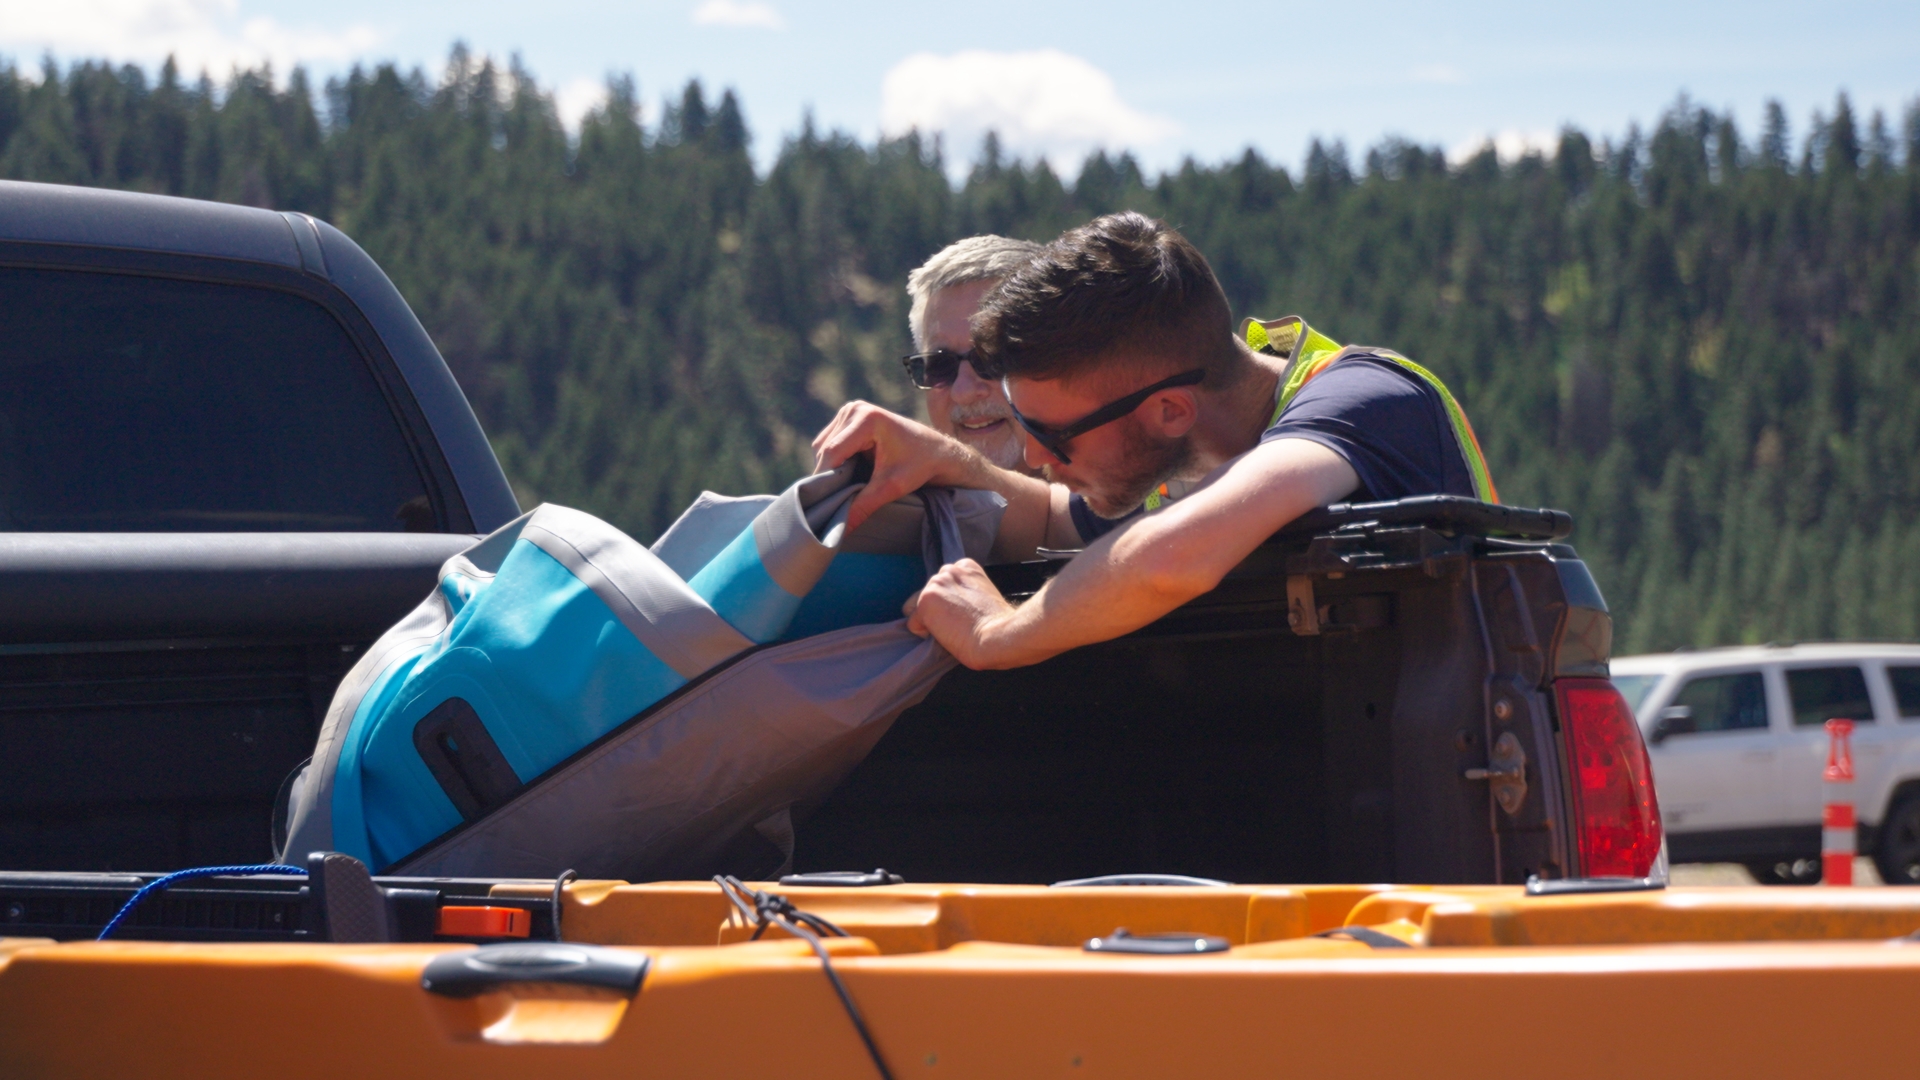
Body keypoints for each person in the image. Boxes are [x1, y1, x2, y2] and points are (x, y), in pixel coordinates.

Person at [812, 211, 1496, 670]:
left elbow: (1171, 557)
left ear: (1169, 411)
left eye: (1054, 434)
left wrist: (997, 633)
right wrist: (943, 457)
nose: (1038, 457)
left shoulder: (1365, 403)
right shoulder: (1179, 449)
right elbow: (1051, 518)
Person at [901, 235, 1045, 475]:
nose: (963, 392)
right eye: (940, 366)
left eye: (992, 359)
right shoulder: (891, 500)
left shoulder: (1114, 494)